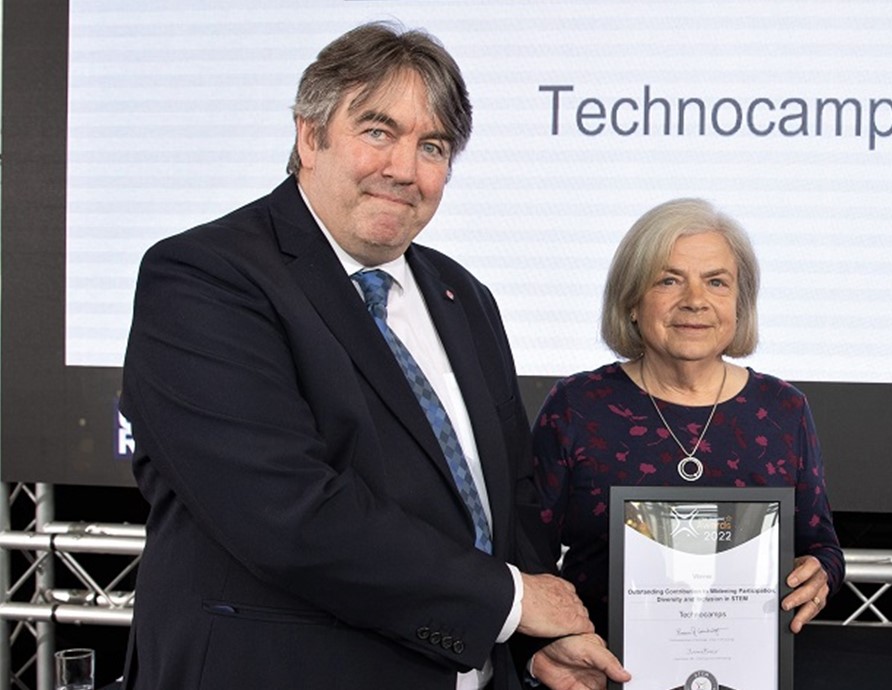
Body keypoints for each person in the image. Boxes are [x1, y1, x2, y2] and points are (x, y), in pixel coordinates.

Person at [120, 22, 628, 690]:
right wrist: (506, 602)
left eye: (433, 146)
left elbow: (509, 494)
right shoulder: (204, 278)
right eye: (378, 132)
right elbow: (288, 515)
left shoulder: (463, 296)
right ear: (310, 136)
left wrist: (531, 641)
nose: (403, 169)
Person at [532, 198, 845, 637]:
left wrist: (820, 572)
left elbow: (821, 546)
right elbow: (525, 555)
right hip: (594, 672)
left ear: (740, 304)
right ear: (632, 302)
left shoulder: (783, 409)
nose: (695, 301)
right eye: (668, 280)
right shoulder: (577, 405)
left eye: (716, 282)